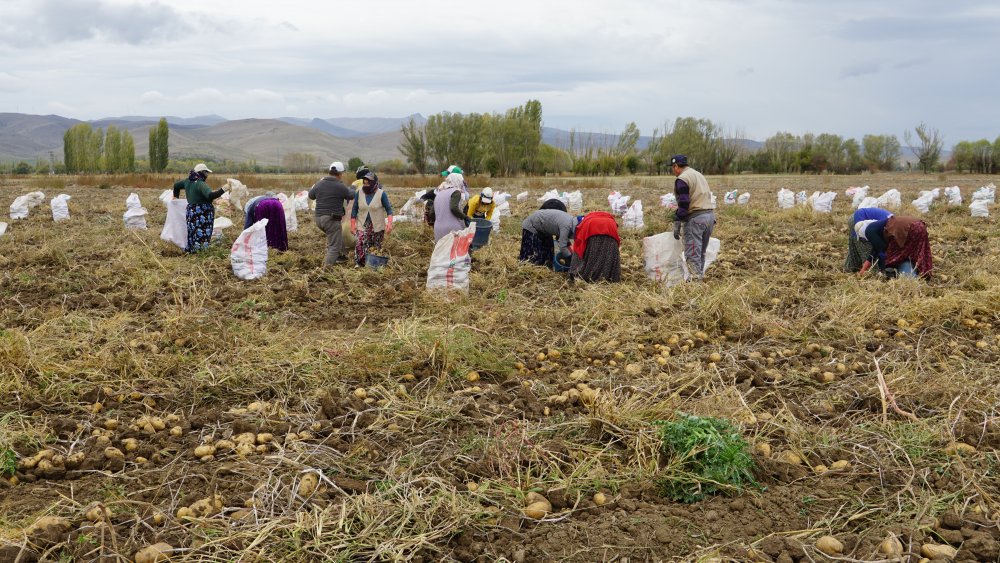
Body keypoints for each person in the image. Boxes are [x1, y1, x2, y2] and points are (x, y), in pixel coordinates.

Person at [670, 155, 716, 281]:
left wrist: (678, 219)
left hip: (696, 219)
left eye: (673, 167)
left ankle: (695, 283)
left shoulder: (682, 179)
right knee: (701, 253)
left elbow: (684, 202)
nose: (673, 171)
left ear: (676, 166)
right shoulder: (698, 174)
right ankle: (699, 278)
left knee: (692, 254)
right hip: (709, 217)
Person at [308, 161, 355, 266]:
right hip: (331, 219)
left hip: (319, 219)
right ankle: (327, 269)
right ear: (340, 174)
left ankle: (342, 256)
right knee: (334, 246)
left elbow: (311, 195)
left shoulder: (320, 183)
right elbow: (351, 195)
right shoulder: (339, 185)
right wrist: (353, 187)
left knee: (336, 237)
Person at [856, 215, 933, 279]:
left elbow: (882, 250)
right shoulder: (877, 227)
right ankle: (924, 274)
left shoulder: (868, 231)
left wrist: (882, 270)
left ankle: (897, 275)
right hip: (920, 226)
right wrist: (863, 270)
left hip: (908, 229)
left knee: (893, 256)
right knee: (917, 252)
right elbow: (875, 251)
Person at [172, 163, 226, 253]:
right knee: (203, 232)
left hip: (191, 211)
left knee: (193, 231)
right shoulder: (200, 184)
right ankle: (200, 252)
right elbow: (210, 195)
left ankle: (191, 250)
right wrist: (223, 189)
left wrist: (175, 197)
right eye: (206, 173)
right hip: (203, 212)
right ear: (202, 172)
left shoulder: (187, 181)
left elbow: (176, 186)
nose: (207, 175)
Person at [350, 170, 394, 267]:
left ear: (374, 183)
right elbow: (354, 209)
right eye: (364, 183)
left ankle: (372, 265)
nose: (366, 185)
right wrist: (352, 225)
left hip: (377, 225)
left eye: (368, 183)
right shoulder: (359, 193)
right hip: (362, 224)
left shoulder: (381, 194)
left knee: (375, 246)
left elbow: (389, 210)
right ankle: (359, 264)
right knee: (360, 243)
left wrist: (389, 223)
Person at [519, 199, 575, 268]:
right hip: (533, 226)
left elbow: (563, 239)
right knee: (534, 255)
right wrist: (569, 257)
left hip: (544, 227)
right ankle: (532, 267)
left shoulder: (565, 221)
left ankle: (546, 265)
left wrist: (570, 252)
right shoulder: (566, 224)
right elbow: (562, 244)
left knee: (548, 252)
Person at [569, 211, 621, 283]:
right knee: (609, 253)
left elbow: (578, 244)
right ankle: (607, 276)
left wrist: (574, 266)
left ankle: (588, 275)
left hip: (591, 227)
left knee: (592, 252)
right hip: (610, 227)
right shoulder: (609, 218)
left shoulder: (585, 220)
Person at [844, 207, 893, 272]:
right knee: (866, 249)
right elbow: (879, 248)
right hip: (860, 220)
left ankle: (850, 268)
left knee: (854, 246)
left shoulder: (892, 224)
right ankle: (868, 271)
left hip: (856, 218)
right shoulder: (890, 227)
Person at [432, 172, 473, 242]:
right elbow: (454, 208)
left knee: (441, 248)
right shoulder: (456, 192)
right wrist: (465, 217)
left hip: (438, 230)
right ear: (457, 181)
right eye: (460, 182)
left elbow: (432, 212)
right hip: (452, 230)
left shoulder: (439, 193)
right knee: (456, 248)